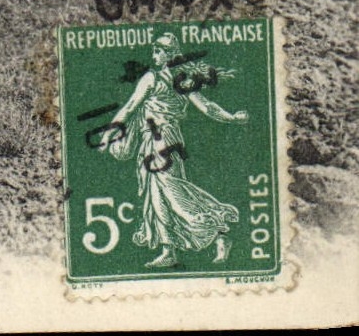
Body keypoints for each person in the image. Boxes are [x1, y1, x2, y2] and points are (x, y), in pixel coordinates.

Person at [96, 32, 249, 268]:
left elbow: (206, 106)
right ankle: (169, 251)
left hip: (164, 139)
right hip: (152, 140)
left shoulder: (172, 79)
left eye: (159, 51)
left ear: (170, 55)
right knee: (156, 195)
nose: (154, 55)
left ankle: (219, 230)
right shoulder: (157, 78)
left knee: (172, 190)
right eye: (154, 51)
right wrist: (110, 131)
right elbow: (129, 108)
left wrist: (232, 118)